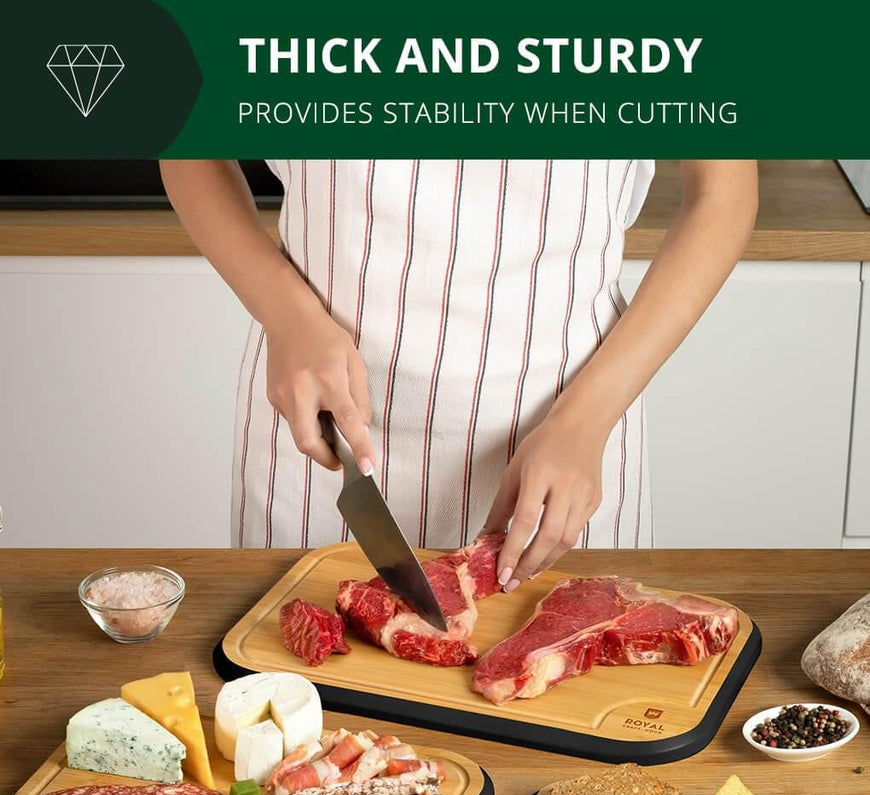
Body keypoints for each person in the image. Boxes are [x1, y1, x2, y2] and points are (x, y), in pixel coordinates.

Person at [160, 159, 757, 591]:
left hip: (566, 422)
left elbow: (722, 193)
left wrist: (587, 419)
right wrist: (284, 313)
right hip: (320, 429)